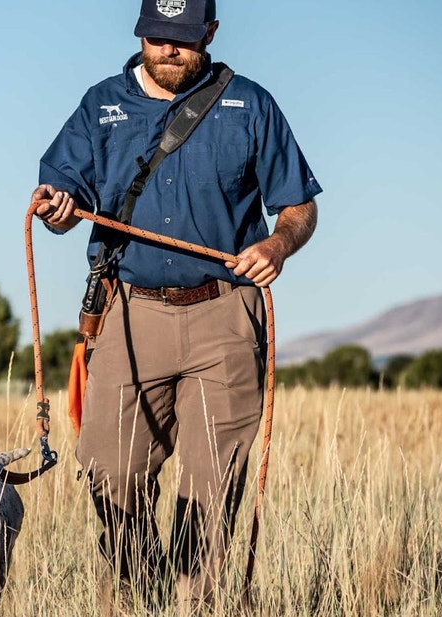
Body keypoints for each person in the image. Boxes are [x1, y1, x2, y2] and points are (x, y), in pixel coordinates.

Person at [32, 0, 321, 612]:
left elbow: (298, 206)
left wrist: (278, 244)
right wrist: (55, 208)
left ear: (209, 35)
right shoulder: (100, 105)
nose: (168, 49)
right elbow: (60, 195)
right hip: (129, 314)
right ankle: (144, 590)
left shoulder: (252, 104)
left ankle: (196, 601)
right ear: (140, 33)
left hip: (226, 315)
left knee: (212, 487)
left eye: (183, 39)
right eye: (157, 36)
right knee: (109, 472)